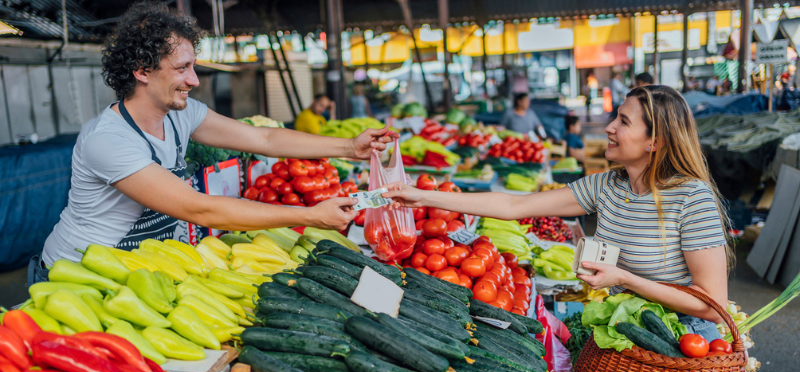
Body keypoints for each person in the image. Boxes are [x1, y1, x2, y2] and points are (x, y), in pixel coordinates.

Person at [32, 2, 397, 282]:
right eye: (181, 68)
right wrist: (310, 216)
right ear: (142, 71)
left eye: (194, 66)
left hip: (137, 266)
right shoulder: (109, 140)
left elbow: (263, 138)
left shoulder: (181, 114)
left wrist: (349, 147)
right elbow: (198, 209)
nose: (194, 80)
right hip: (78, 273)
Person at [384, 85, 732, 338]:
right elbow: (514, 205)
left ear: (654, 142)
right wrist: (426, 198)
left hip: (687, 342)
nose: (609, 127)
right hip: (631, 332)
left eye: (623, 122)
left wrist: (624, 279)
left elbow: (712, 304)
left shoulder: (691, 198)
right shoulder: (607, 185)